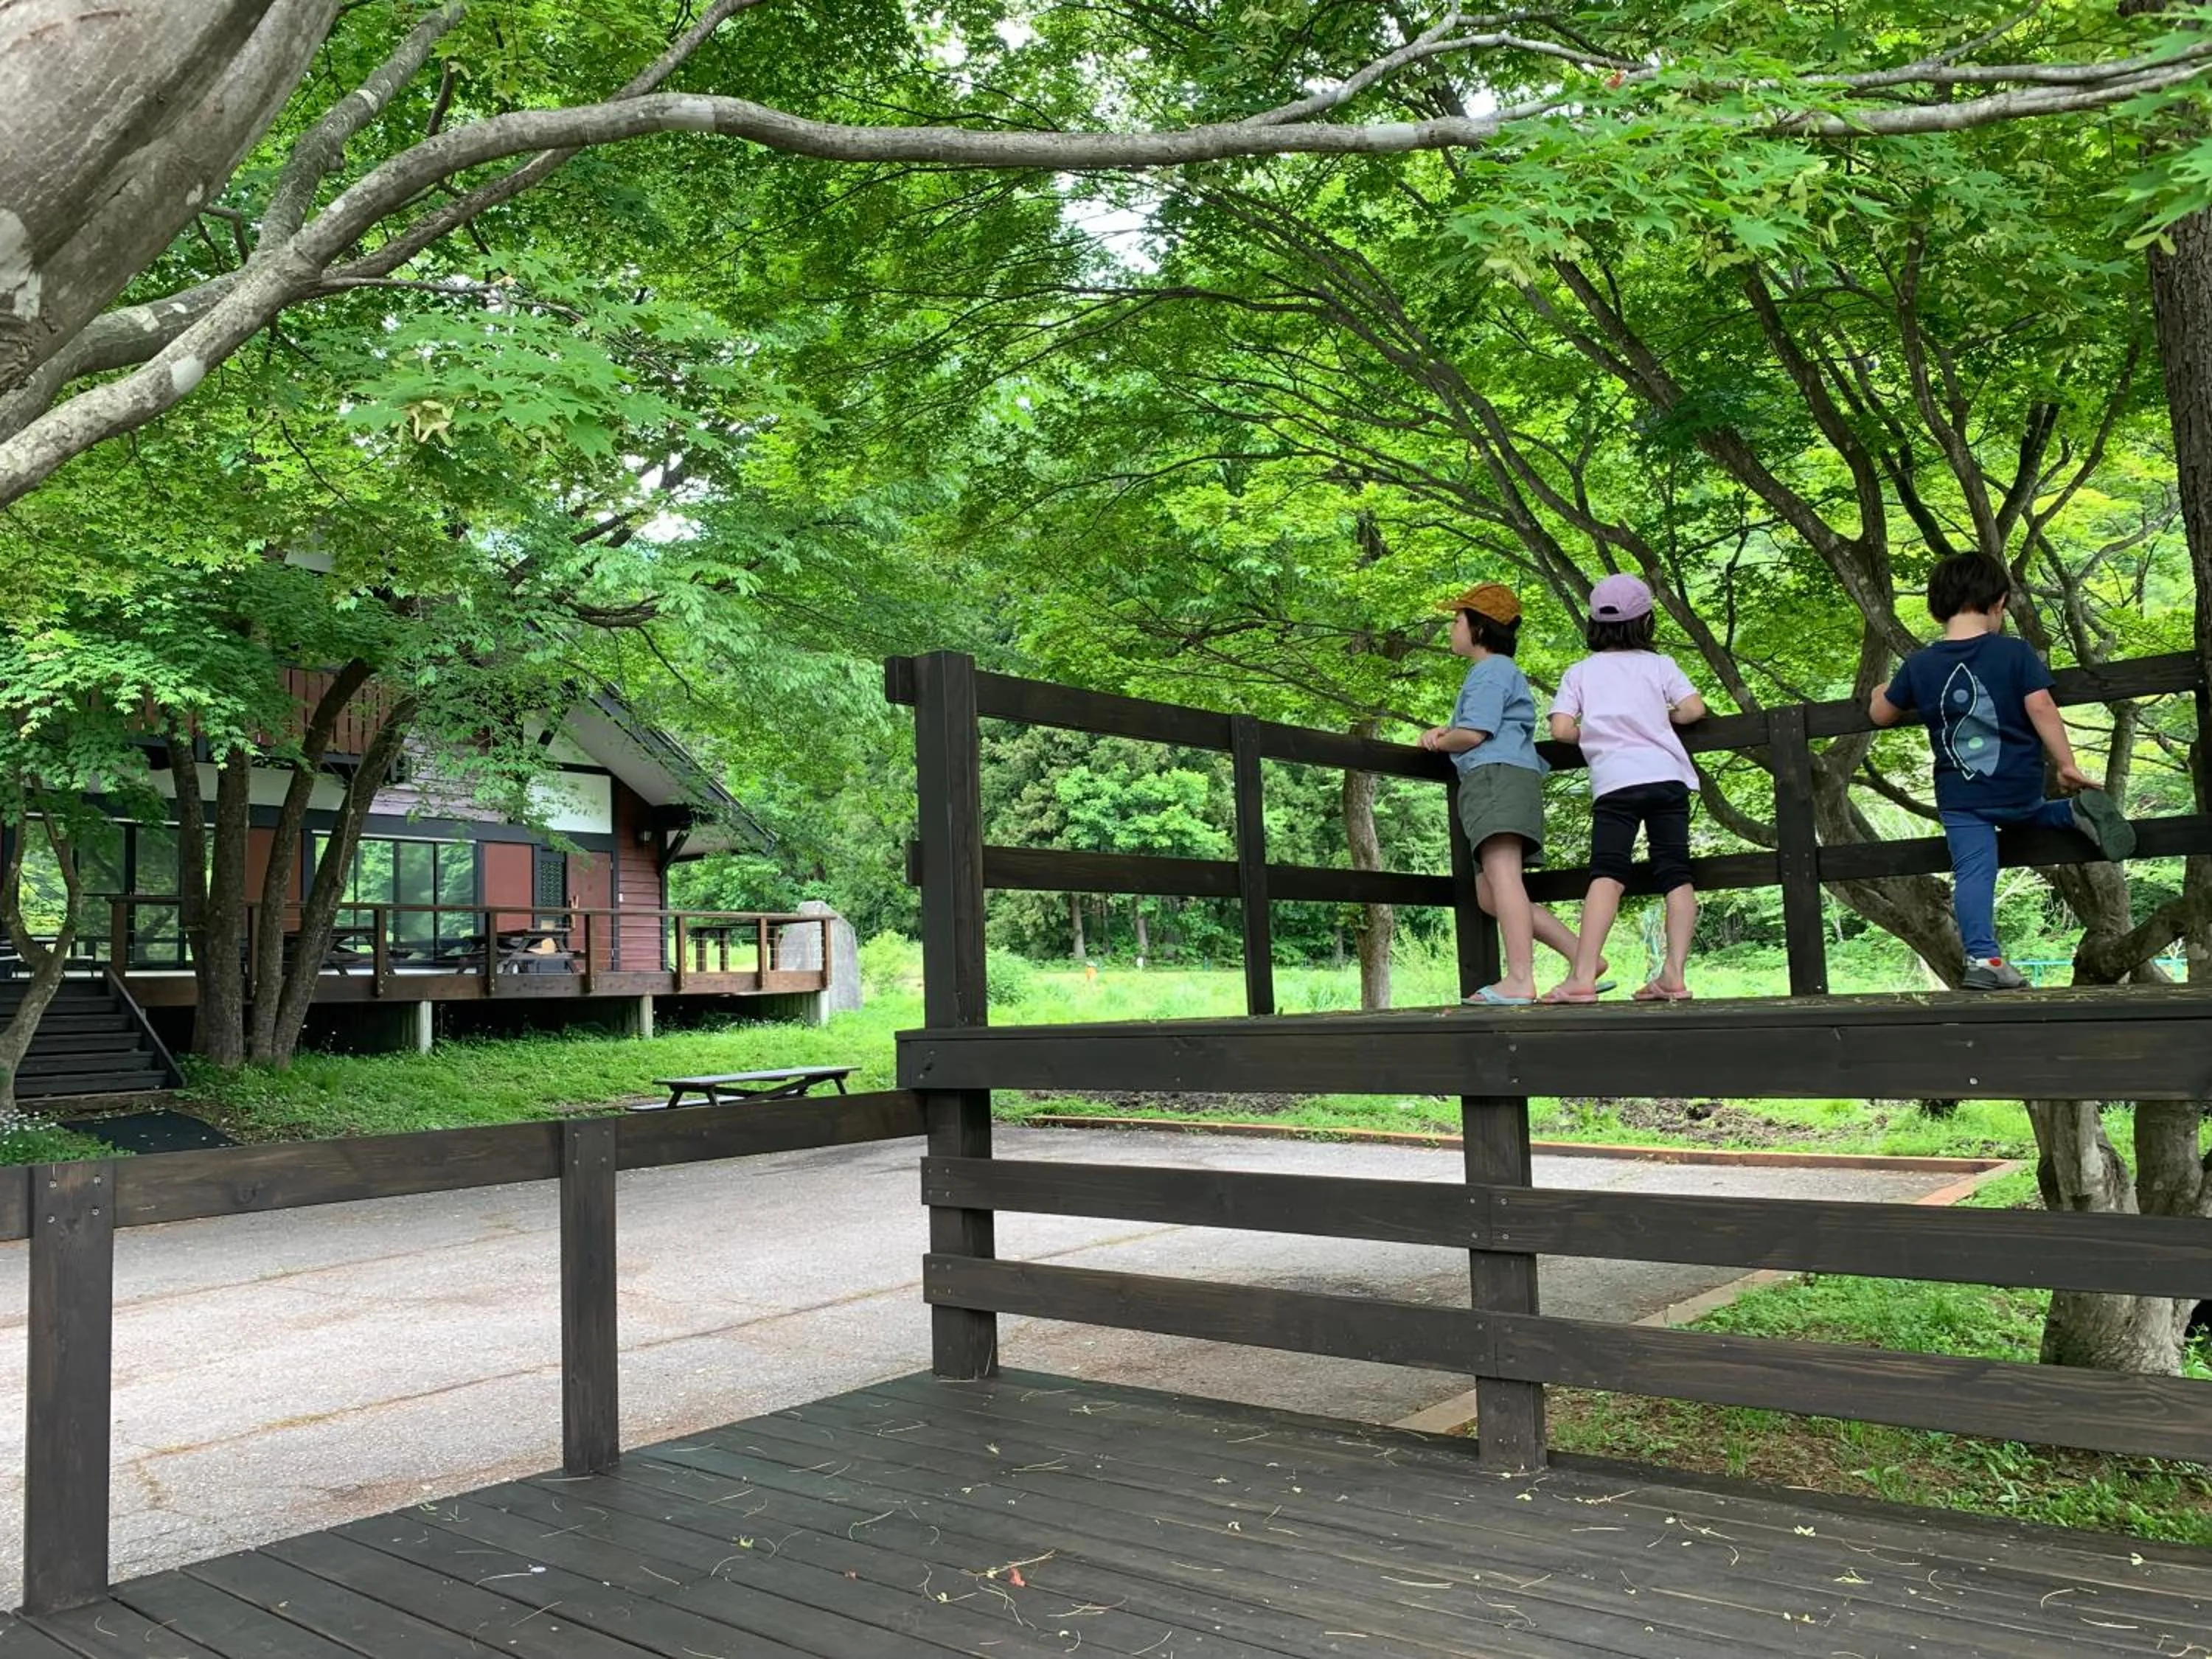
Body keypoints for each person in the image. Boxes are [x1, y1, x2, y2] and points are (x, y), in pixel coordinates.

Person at [1869, 552, 2135, 991]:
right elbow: (2041, 705)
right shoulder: (2014, 653)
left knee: (1974, 870)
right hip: (2017, 785)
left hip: (1961, 797)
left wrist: (1883, 688)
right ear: (1999, 602)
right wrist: (2067, 763)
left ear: (1937, 608)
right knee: (2032, 813)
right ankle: (2072, 813)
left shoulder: (1920, 665)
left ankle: (1984, 960)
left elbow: (1881, 714)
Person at [1419, 582, 1603, 1003]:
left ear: (1479, 628)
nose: (1452, 628)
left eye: (1457, 620)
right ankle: (1583, 958)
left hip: (1494, 777)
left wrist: (1436, 741)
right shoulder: (1501, 672)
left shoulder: (1489, 671)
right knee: (1489, 894)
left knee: (1501, 878)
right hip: (1508, 778)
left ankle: (1520, 979)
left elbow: (1474, 733)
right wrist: (1448, 732)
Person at [1543, 574, 1707, 1004]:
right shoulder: (1660, 665)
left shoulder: (1579, 672)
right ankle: (1673, 974)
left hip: (1616, 782)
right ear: (1646, 622)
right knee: (1675, 870)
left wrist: (1597, 730)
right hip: (1666, 776)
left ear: (1594, 624)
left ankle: (1581, 977)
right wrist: (1657, 720)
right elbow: (1693, 709)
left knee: (1608, 873)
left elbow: (1561, 729)